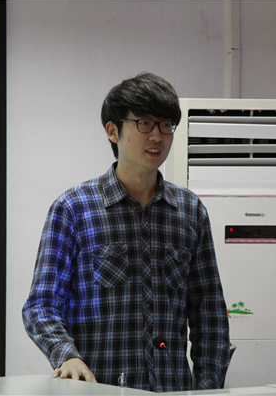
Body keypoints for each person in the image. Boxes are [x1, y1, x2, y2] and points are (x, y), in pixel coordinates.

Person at [22, 72, 230, 392]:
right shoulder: (74, 208)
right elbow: (41, 306)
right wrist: (66, 355)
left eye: (166, 125)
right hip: (98, 388)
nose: (157, 136)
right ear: (113, 131)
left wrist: (208, 388)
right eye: (144, 123)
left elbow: (210, 315)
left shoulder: (190, 211)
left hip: (172, 388)